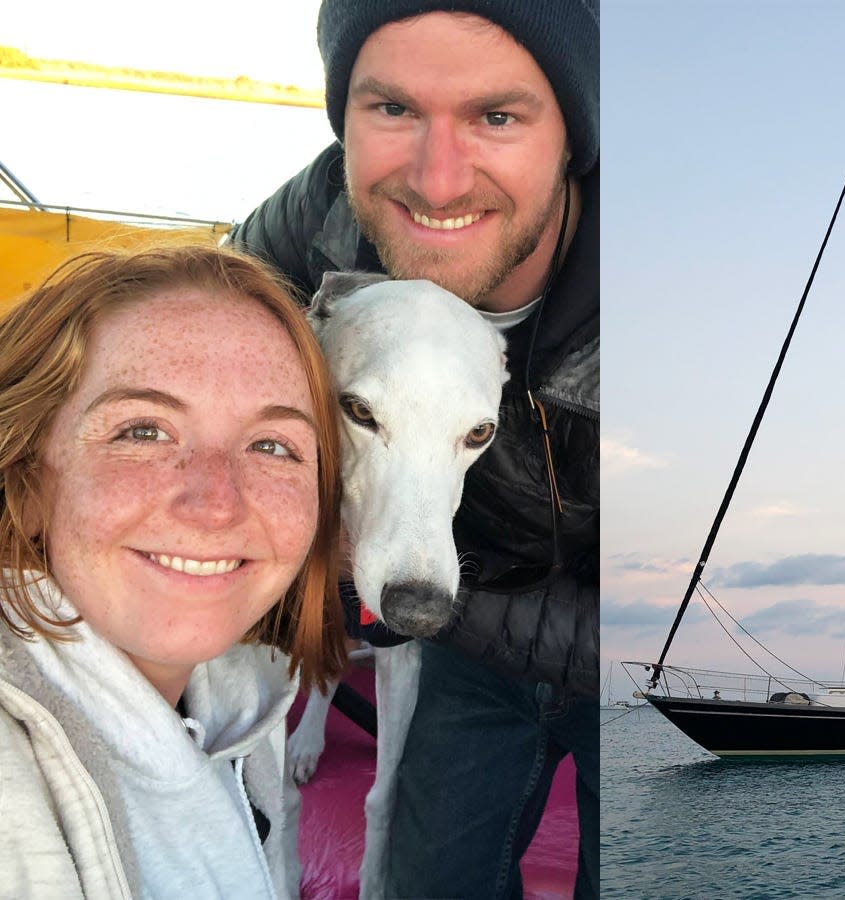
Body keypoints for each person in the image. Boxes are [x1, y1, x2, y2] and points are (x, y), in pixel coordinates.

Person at [233, 1, 598, 896]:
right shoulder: (310, 231)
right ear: (345, 119)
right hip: (464, 657)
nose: (437, 184)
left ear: (574, 138)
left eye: (497, 116)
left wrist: (425, 599)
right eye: (393, 108)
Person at [0, 245, 346, 898]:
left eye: (273, 446)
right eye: (142, 431)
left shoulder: (247, 713)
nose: (217, 504)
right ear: (27, 479)